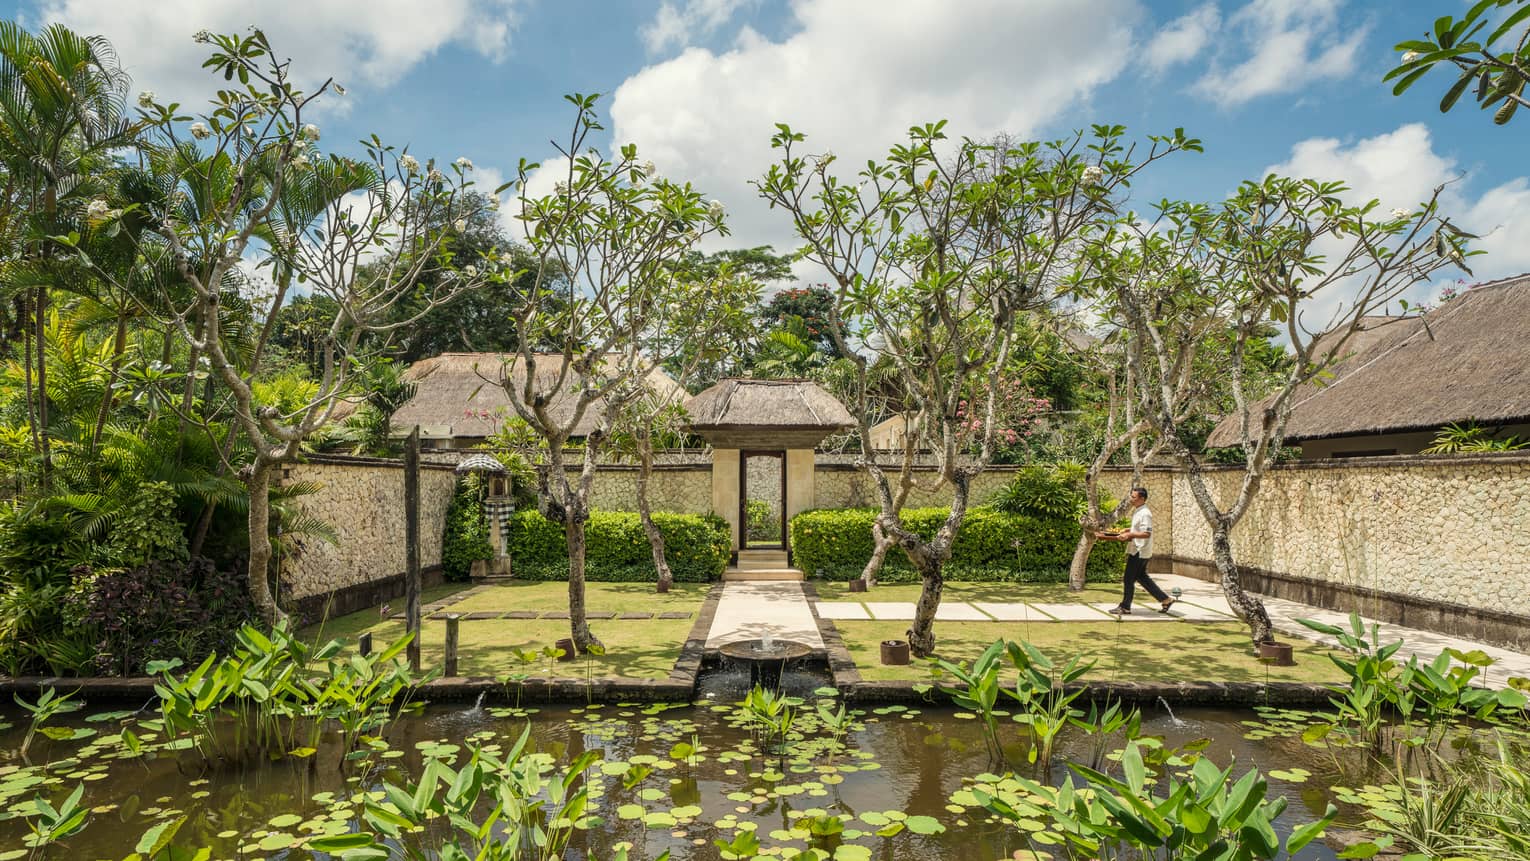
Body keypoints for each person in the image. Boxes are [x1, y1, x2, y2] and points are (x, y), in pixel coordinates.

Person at [1096, 487, 1175, 615]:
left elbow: (1146, 533)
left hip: (1140, 550)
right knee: (1142, 578)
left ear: (1142, 499)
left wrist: (1130, 535)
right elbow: (1139, 528)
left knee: (1128, 579)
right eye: (1131, 496)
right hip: (1138, 549)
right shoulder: (1139, 511)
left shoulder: (1145, 513)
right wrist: (1128, 530)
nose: (1131, 499)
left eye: (1133, 497)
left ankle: (1125, 607)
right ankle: (1166, 600)